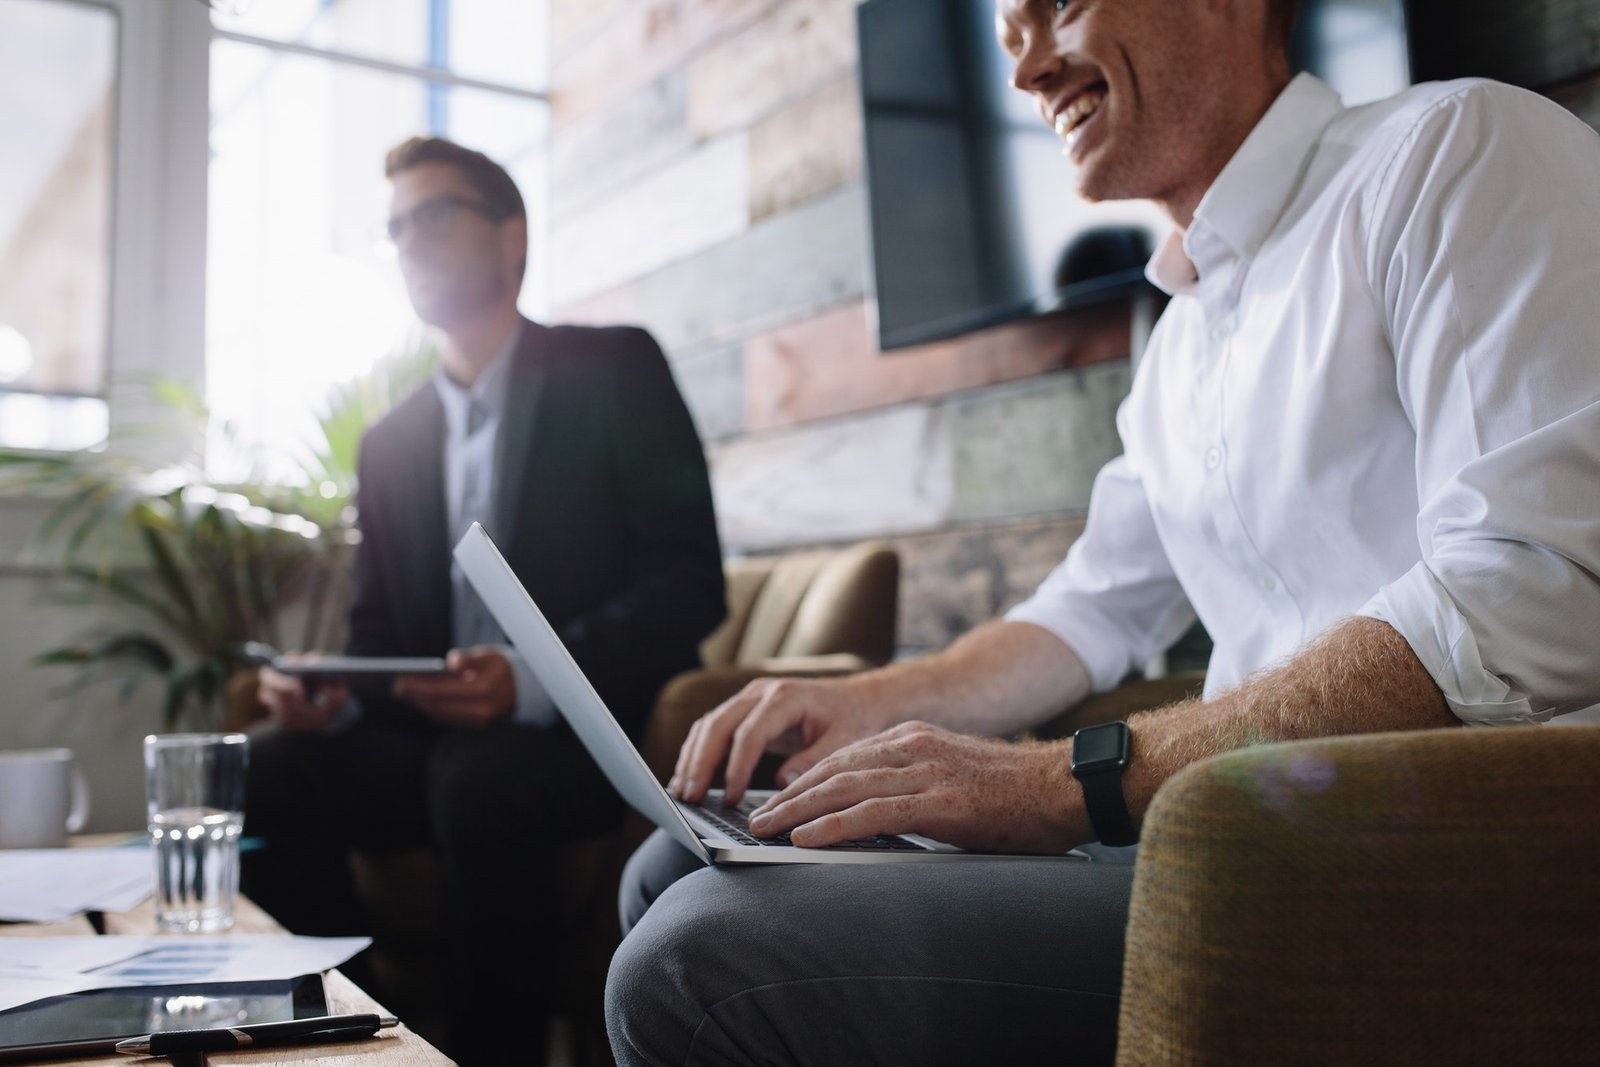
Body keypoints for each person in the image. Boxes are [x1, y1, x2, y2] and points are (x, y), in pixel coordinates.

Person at [605, 0, 1600, 1062]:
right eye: (1007, 35)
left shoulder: (1456, 151)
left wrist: (1063, 782)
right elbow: (1090, 605)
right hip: (1222, 839)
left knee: (695, 955)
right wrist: (861, 705)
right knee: (677, 866)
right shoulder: (1179, 343)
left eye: (1056, 9)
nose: (1027, 69)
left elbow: (1535, 582)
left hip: (1427, 866)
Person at [242, 136, 725, 1066]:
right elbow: (378, 633)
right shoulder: (389, 442)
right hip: (432, 741)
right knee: (268, 766)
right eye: (394, 227)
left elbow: (687, 581)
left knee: (481, 777)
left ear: (513, 236)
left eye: (435, 215)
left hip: (580, 737)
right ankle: (359, 1035)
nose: (409, 242)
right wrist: (336, 699)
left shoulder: (614, 370)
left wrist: (527, 681)